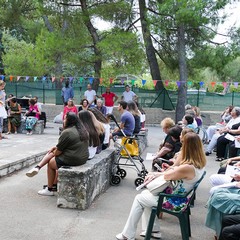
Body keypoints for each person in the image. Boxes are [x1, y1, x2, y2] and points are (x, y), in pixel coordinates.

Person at [116, 132, 206, 240]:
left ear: (187, 147)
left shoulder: (187, 167)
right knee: (145, 196)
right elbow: (172, 173)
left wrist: (157, 173)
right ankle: (154, 230)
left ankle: (127, 235)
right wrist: (167, 171)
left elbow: (167, 176)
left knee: (140, 198)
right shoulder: (199, 165)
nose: (181, 147)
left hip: (173, 201)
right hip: (181, 198)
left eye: (183, 145)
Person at [32, 112, 89, 196]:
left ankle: (49, 189)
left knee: (51, 163)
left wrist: (54, 151)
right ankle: (40, 169)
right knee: (53, 155)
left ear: (69, 121)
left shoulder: (67, 132)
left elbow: (58, 152)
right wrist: (56, 149)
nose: (63, 120)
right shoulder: (83, 130)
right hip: (83, 158)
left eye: (65, 119)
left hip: (73, 159)